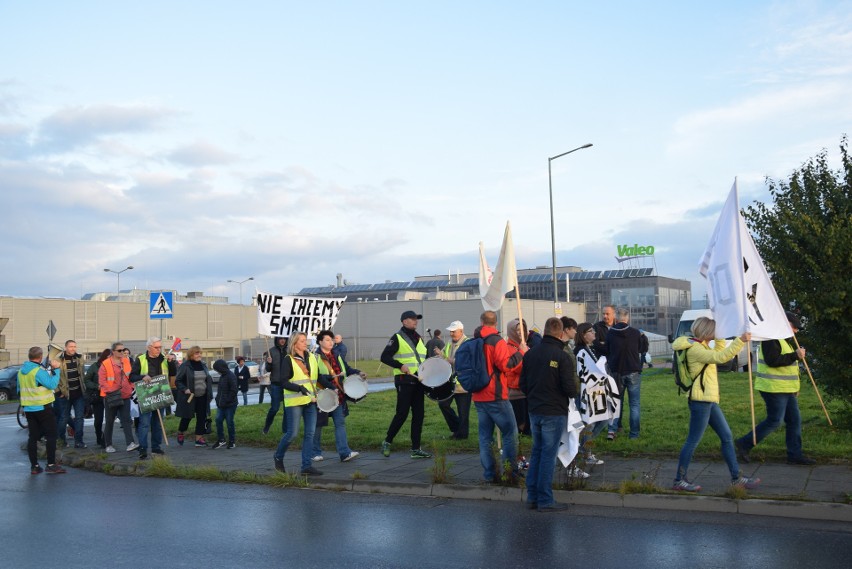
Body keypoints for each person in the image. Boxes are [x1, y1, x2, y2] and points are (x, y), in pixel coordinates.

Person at [671, 317, 760, 492]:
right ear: (705, 332)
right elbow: (721, 357)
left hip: (709, 400)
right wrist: (740, 340)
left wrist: (721, 334)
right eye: (714, 331)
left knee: (727, 437)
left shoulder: (700, 345)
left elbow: (719, 349)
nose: (715, 334)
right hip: (701, 402)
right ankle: (679, 480)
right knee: (692, 441)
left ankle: (737, 478)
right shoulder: (695, 349)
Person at [735, 311, 816, 466]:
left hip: (785, 388)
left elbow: (789, 368)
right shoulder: (771, 338)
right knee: (775, 421)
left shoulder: (784, 340)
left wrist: (794, 387)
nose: (796, 331)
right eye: (795, 327)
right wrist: (795, 355)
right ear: (785, 324)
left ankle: (795, 455)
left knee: (794, 420)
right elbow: (773, 361)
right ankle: (743, 444)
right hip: (772, 387)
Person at [520, 317, 576, 511]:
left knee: (537, 452)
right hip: (554, 411)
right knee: (548, 455)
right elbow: (570, 389)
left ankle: (532, 496)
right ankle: (545, 499)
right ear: (560, 334)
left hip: (534, 410)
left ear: (544, 331)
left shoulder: (530, 354)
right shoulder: (562, 357)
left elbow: (522, 384)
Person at [473, 310, 525, 483]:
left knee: (485, 437)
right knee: (510, 433)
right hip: (496, 395)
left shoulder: (475, 341)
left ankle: (489, 474)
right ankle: (510, 472)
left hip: (479, 395)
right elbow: (506, 365)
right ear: (496, 323)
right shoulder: (497, 341)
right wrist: (521, 353)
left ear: (481, 322)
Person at [380, 310, 432, 459]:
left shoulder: (419, 338)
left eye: (417, 319)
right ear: (404, 321)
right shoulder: (397, 337)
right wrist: (399, 365)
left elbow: (424, 358)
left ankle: (416, 449)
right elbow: (384, 357)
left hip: (418, 381)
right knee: (402, 413)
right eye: (412, 319)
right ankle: (387, 441)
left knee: (419, 415)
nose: (416, 321)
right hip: (404, 380)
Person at [273, 332, 323, 476]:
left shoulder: (312, 357)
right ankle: (278, 456)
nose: (305, 343)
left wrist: (332, 386)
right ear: (294, 344)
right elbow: (284, 382)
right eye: (301, 341)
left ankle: (306, 466)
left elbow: (318, 378)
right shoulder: (288, 359)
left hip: (310, 401)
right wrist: (299, 388)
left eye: (305, 340)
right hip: (295, 401)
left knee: (310, 434)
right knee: (292, 434)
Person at [312, 330, 362, 462]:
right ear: (320, 341)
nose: (331, 342)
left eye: (332, 340)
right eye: (328, 340)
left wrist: (358, 372)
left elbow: (346, 369)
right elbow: (317, 376)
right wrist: (331, 385)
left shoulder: (337, 354)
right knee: (318, 424)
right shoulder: (315, 357)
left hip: (338, 396)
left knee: (340, 423)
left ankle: (344, 453)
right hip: (322, 396)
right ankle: (315, 452)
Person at [19, 346, 66, 474]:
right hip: (43, 407)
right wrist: (56, 371)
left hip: (29, 408)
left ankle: (34, 466)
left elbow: (19, 390)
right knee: (51, 435)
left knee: (33, 437)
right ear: (40, 357)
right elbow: (52, 385)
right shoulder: (38, 371)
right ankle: (51, 465)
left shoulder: (21, 371)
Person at [130, 336, 177, 459]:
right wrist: (142, 377)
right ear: (149, 347)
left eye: (160, 347)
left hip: (160, 394)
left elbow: (172, 374)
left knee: (158, 423)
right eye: (156, 347)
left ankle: (156, 447)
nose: (159, 349)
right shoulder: (140, 359)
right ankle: (143, 448)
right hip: (146, 395)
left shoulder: (164, 359)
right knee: (144, 423)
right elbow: (132, 376)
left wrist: (172, 362)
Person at [573, 323, 610, 470]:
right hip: (587, 391)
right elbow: (582, 372)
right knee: (590, 422)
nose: (594, 333)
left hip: (595, 390)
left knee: (602, 420)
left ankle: (584, 448)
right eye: (591, 331)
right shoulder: (580, 350)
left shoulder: (590, 348)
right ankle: (586, 452)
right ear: (583, 334)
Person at [605, 308, 643, 440]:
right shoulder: (635, 332)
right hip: (633, 370)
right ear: (627, 318)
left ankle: (612, 430)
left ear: (616, 318)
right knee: (634, 404)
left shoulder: (610, 333)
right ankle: (634, 434)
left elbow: (607, 350)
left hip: (617, 372)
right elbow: (640, 348)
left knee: (615, 402)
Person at [99, 342, 138, 453]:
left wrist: (131, 387)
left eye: (123, 350)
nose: (122, 352)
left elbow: (129, 376)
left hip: (125, 395)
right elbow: (102, 381)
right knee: (110, 420)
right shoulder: (105, 364)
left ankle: (130, 443)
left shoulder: (126, 361)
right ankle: (108, 445)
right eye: (119, 350)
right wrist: (110, 390)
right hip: (111, 396)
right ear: (113, 351)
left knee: (126, 420)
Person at [438, 320, 471, 439]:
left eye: (454, 331)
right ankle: (457, 428)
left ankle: (462, 435)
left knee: (463, 412)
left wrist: (451, 361)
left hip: (463, 384)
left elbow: (468, 362)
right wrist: (440, 356)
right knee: (443, 404)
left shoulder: (468, 343)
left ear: (461, 331)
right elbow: (444, 356)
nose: (451, 334)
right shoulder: (449, 343)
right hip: (449, 383)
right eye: (450, 331)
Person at [174, 346, 213, 447]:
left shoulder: (203, 365)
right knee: (187, 417)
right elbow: (178, 381)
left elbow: (207, 379)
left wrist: (209, 393)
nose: (199, 355)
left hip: (203, 396)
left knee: (201, 417)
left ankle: (198, 439)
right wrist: (184, 389)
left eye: (200, 353)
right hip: (190, 397)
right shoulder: (185, 366)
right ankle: (181, 432)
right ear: (191, 354)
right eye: (196, 353)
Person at [56, 340, 87, 448]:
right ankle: (61, 441)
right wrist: (58, 392)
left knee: (79, 418)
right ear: (65, 347)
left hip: (78, 394)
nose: (73, 348)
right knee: (63, 418)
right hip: (64, 395)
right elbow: (54, 377)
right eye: (70, 346)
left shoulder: (79, 358)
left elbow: (82, 374)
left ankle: (79, 441)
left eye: (74, 346)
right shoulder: (59, 360)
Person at [505, 319, 529, 436]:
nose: (520, 332)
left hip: (526, 390)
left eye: (522, 329)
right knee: (520, 423)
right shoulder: (509, 348)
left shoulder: (523, 346)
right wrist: (523, 353)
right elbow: (516, 368)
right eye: (517, 330)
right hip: (516, 392)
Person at [83, 348, 111, 448]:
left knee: (109, 419)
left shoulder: (114, 366)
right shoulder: (95, 366)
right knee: (98, 420)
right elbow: (87, 380)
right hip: (98, 396)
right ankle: (99, 437)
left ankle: (106, 440)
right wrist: (97, 386)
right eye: (108, 357)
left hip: (111, 396)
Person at [263, 337, 289, 435]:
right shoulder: (271, 351)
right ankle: (267, 426)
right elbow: (268, 369)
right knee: (274, 408)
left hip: (287, 384)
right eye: (280, 339)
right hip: (276, 383)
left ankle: (285, 431)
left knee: (287, 409)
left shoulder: (290, 350)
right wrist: (269, 363)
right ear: (277, 340)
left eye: (284, 339)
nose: (282, 341)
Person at [211, 359, 238, 449]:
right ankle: (221, 440)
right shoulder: (223, 376)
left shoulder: (231, 376)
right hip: (221, 404)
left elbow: (234, 390)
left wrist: (227, 400)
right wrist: (217, 399)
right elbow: (220, 390)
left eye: (217, 369)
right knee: (218, 420)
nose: (217, 371)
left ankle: (232, 441)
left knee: (230, 422)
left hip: (230, 404)